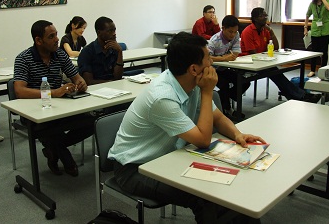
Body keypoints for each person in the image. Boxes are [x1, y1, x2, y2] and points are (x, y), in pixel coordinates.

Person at [108, 32, 265, 223]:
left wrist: (237, 134)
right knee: (204, 197)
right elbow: (203, 139)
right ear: (193, 69)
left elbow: (217, 117)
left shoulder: (190, 81)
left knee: (229, 183)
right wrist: (207, 93)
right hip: (135, 169)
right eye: (208, 57)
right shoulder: (162, 97)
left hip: (168, 157)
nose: (212, 62)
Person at [13, 20, 95, 176]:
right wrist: (53, 93)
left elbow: (77, 77)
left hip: (59, 107)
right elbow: (19, 91)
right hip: (34, 112)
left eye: (56, 34)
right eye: (51, 36)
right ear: (38, 40)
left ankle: (53, 150)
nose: (57, 39)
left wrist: (80, 83)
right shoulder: (24, 58)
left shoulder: (59, 54)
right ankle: (65, 156)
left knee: (91, 121)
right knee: (50, 129)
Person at [240, 7, 321, 103]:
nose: (266, 17)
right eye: (263, 15)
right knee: (277, 74)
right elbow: (253, 54)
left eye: (266, 15)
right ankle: (301, 96)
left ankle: (300, 96)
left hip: (262, 62)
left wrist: (271, 32)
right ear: (256, 18)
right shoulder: (247, 32)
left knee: (277, 74)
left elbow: (276, 48)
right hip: (249, 63)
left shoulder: (265, 30)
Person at [207, 15, 250, 119]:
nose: (233, 34)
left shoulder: (236, 35)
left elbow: (235, 53)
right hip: (213, 69)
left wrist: (229, 57)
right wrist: (223, 58)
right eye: (230, 31)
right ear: (223, 28)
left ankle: (223, 98)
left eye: (235, 31)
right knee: (224, 84)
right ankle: (227, 110)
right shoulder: (214, 40)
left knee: (244, 82)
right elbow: (206, 58)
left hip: (225, 68)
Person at [78, 16, 123, 86]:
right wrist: (111, 83)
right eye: (110, 31)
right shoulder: (87, 52)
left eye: (114, 30)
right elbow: (89, 81)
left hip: (115, 87)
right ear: (99, 32)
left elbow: (118, 77)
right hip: (96, 90)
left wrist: (120, 52)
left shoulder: (115, 49)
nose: (114, 33)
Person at [304, 0, 329, 77]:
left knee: (324, 52)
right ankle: (312, 70)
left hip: (326, 30)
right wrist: (305, 27)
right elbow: (307, 15)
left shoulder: (327, 0)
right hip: (315, 30)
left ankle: (323, 70)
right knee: (314, 52)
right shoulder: (312, 4)